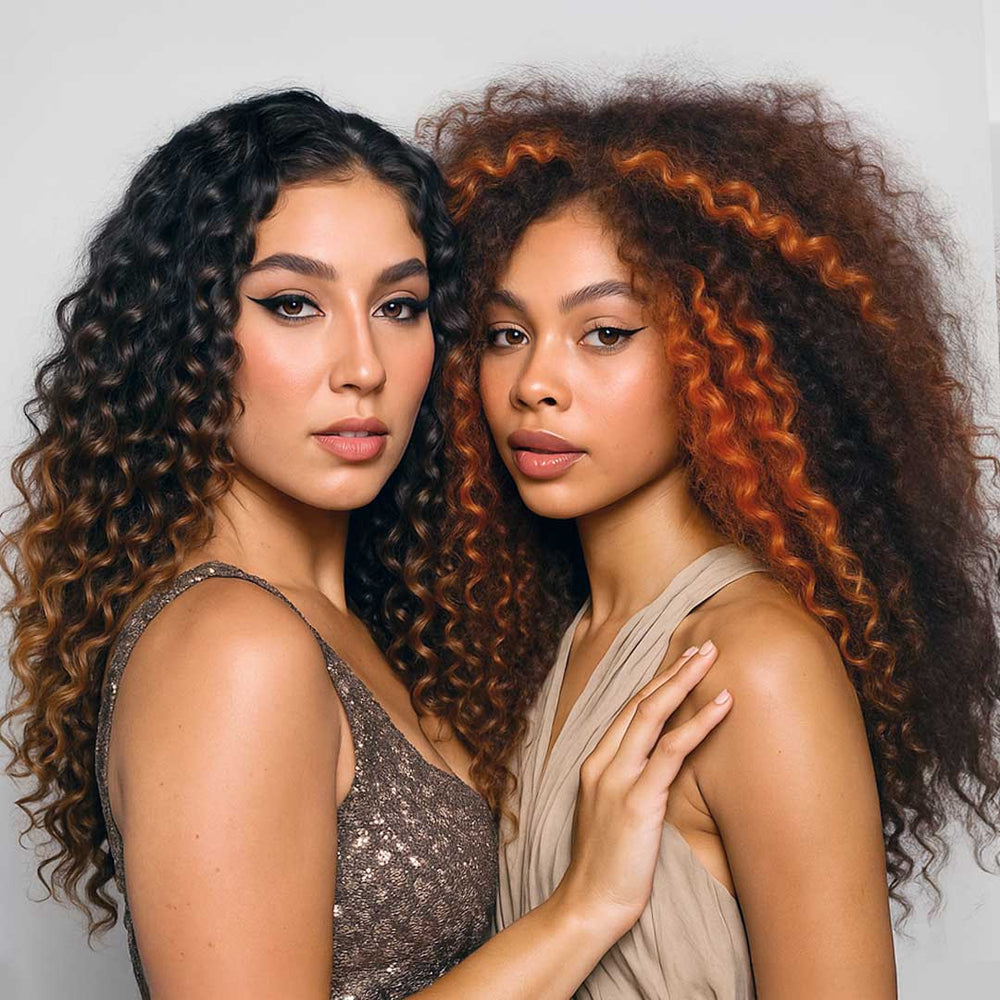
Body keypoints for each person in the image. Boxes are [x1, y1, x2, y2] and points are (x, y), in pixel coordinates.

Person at [1, 89, 735, 999]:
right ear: (185, 337)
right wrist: (582, 909)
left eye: (399, 306)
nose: (364, 366)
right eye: (294, 305)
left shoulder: (368, 626)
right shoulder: (232, 644)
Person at [425, 76, 1000, 998]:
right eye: (503, 334)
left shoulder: (755, 664)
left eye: (604, 333)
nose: (536, 382)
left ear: (715, 353)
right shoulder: (536, 658)